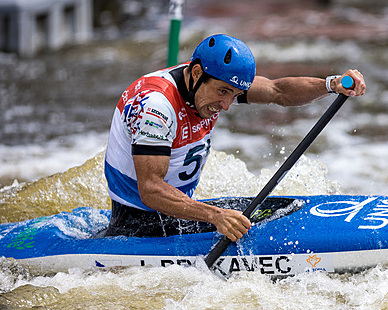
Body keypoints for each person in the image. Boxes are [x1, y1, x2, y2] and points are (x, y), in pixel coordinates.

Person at [103, 33, 366, 240]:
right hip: (139, 224)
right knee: (256, 223)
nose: (227, 105)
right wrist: (215, 216)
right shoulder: (156, 107)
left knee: (282, 207)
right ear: (196, 74)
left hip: (178, 213)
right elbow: (150, 190)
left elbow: (278, 91)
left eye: (235, 95)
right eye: (223, 92)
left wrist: (331, 84)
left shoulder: (213, 78)